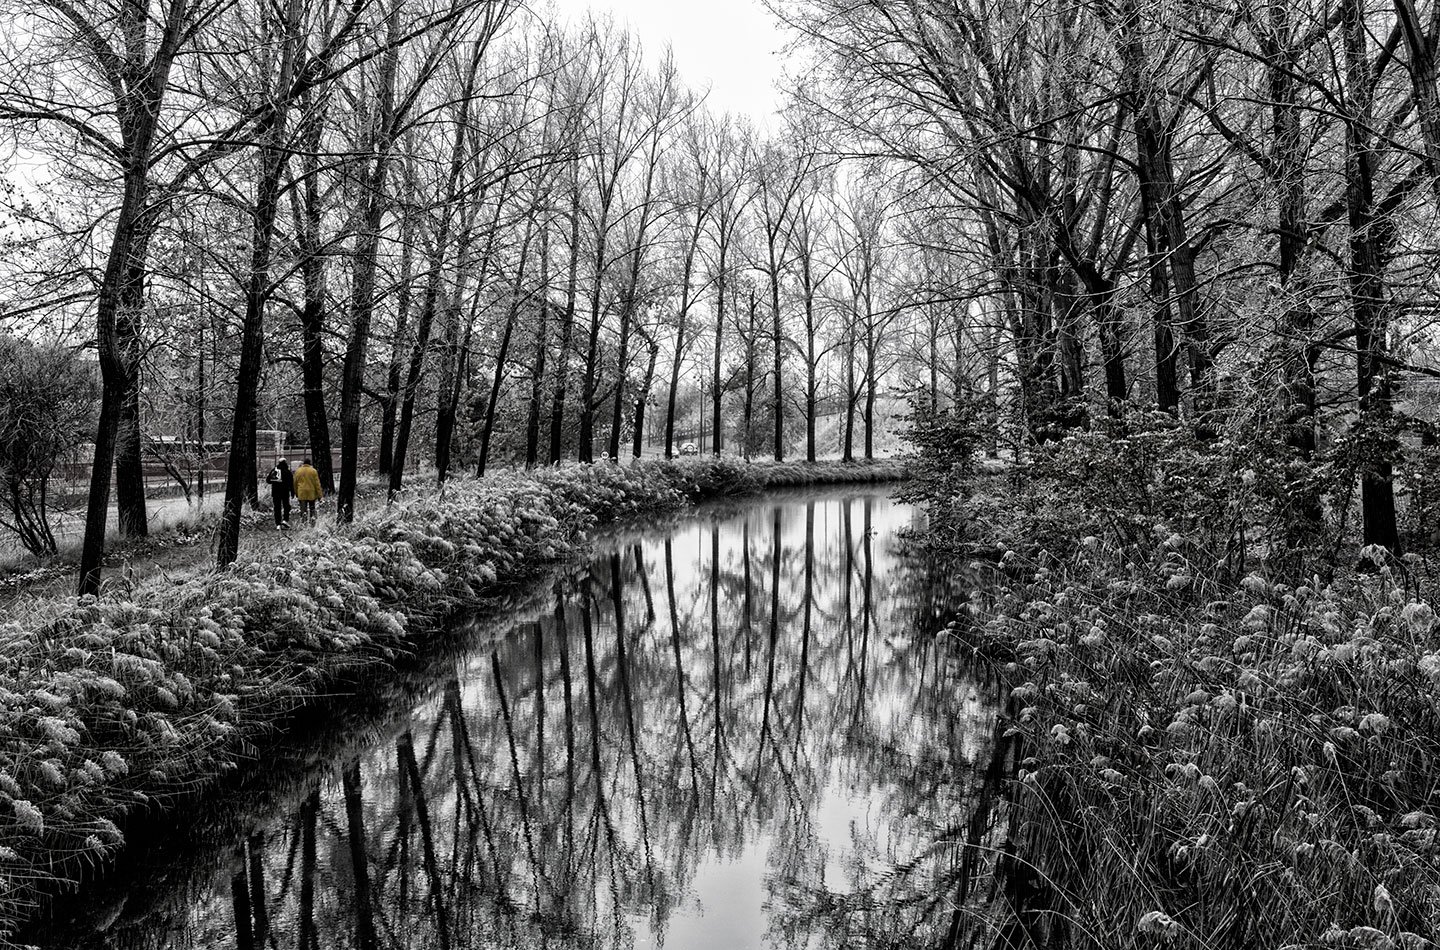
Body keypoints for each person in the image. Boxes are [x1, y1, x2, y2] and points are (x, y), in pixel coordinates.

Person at [293, 457, 323, 526]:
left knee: (303, 510)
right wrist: (320, 496)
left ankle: (304, 524)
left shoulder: (298, 471)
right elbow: (317, 484)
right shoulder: (313, 471)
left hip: (301, 492)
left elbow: (295, 483)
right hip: (311, 493)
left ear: (303, 463)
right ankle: (312, 523)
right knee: (312, 508)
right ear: (310, 463)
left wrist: (296, 493)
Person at [266, 457, 293, 529]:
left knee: (277, 507)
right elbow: (291, 483)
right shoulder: (287, 471)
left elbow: (268, 480)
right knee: (286, 506)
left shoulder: (274, 470)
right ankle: (285, 520)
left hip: (276, 492)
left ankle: (278, 523)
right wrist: (293, 492)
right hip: (285, 492)